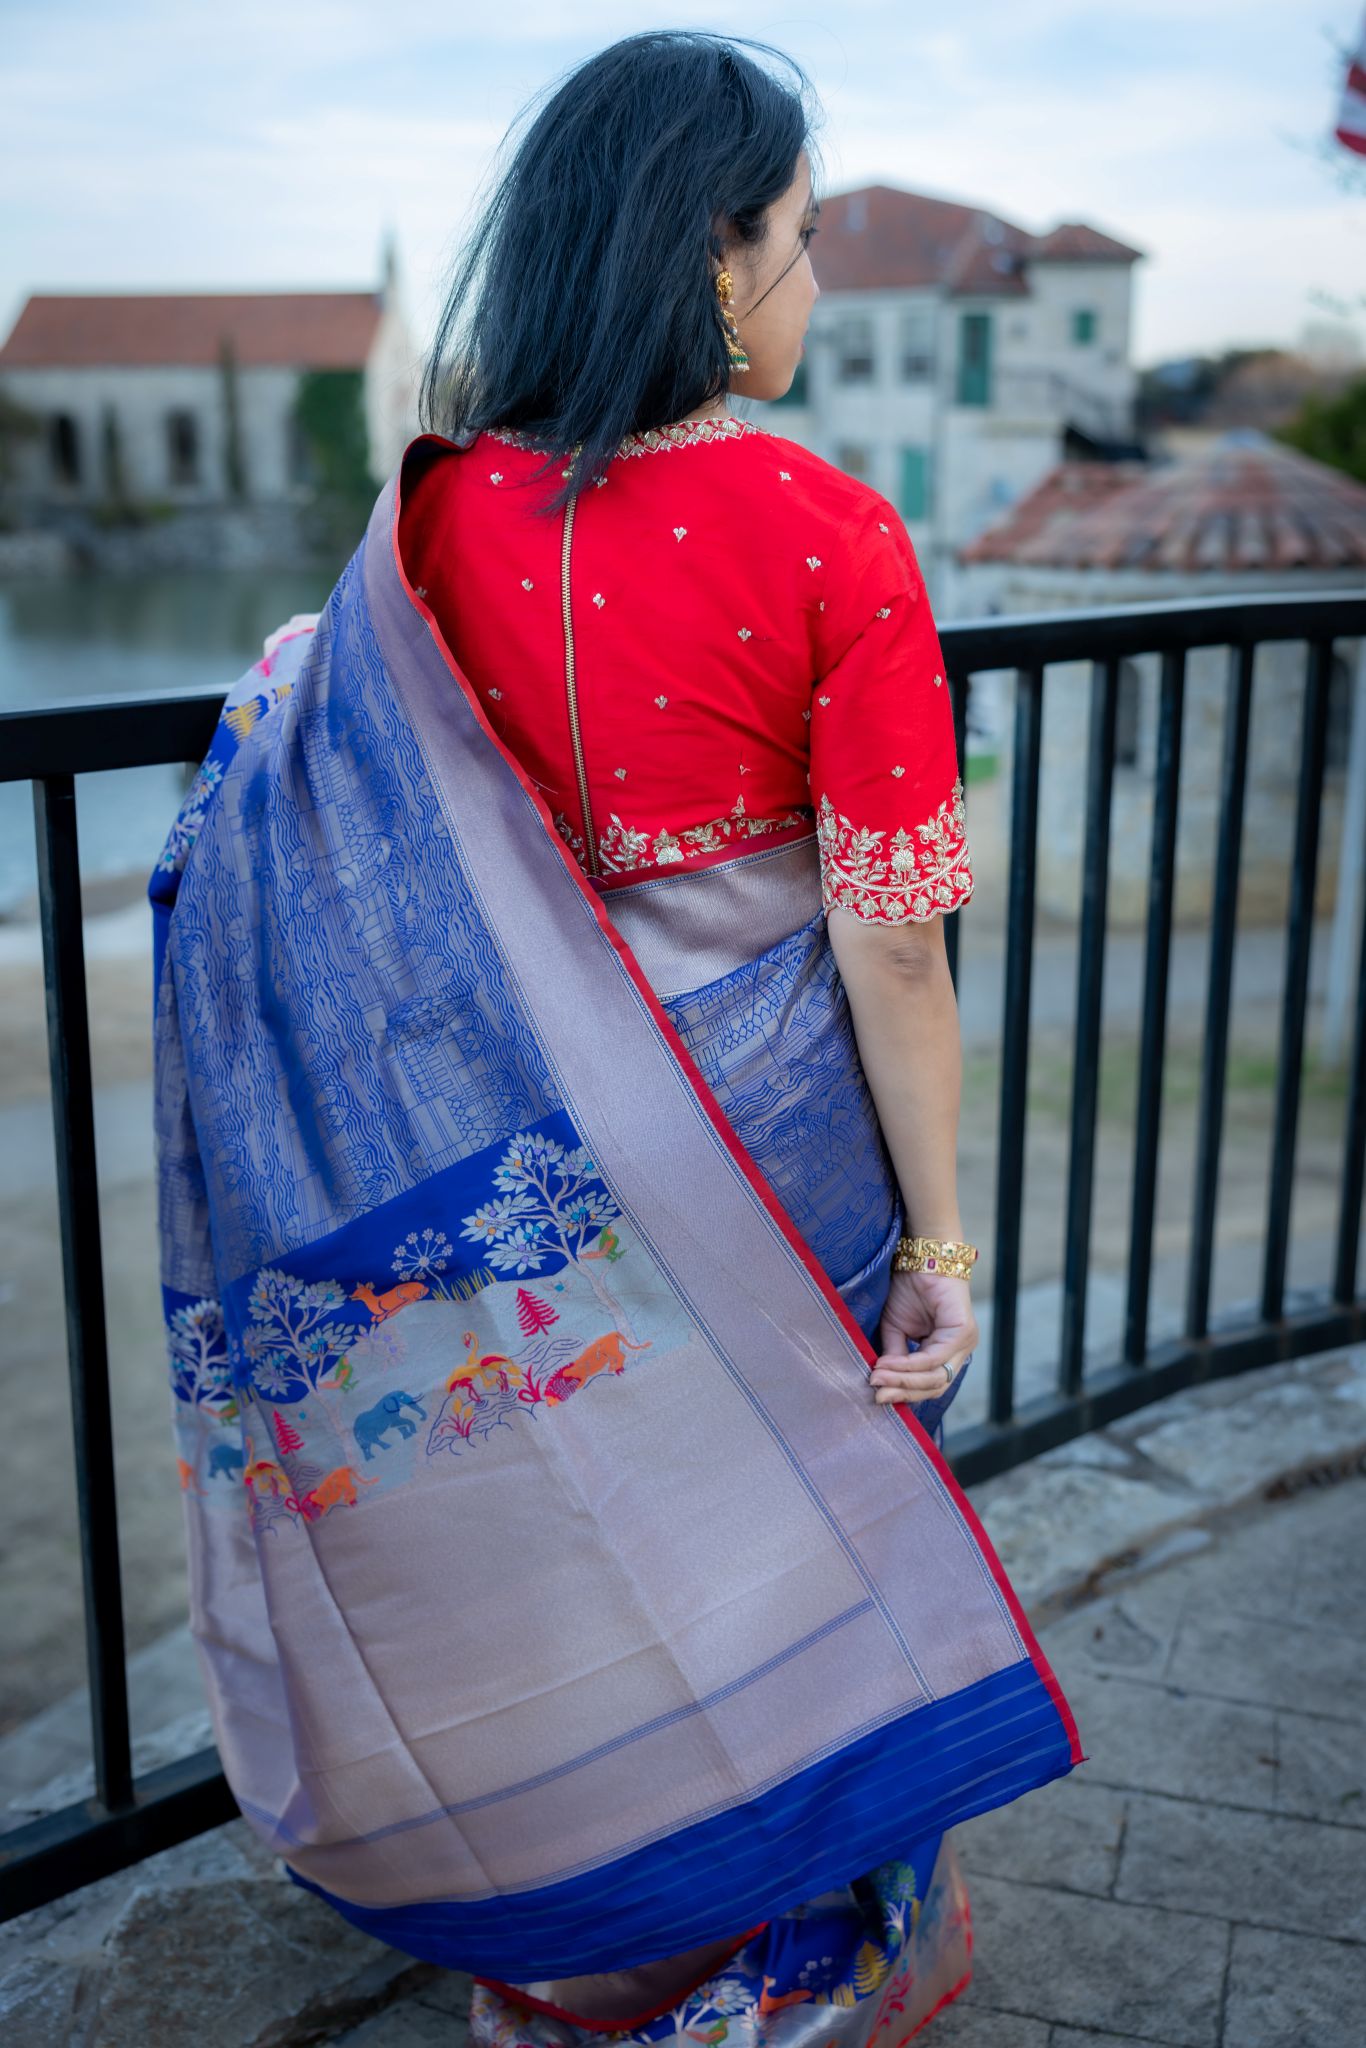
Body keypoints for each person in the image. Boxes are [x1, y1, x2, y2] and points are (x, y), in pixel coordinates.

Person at [149, 29, 1084, 2048]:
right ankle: (796, 1953)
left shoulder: (414, 542)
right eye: (799, 238)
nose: (812, 283)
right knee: (791, 1531)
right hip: (769, 1149)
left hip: (518, 1154)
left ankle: (592, 1940)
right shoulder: (830, 535)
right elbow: (889, 947)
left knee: (588, 1536)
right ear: (708, 254)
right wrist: (937, 1242)